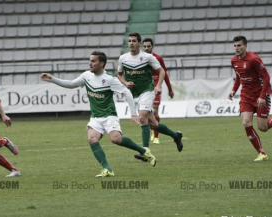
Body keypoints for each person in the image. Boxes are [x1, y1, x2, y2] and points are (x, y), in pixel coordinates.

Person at [40, 51, 157, 177]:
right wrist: (52, 79)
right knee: (92, 139)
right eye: (90, 60)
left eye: (93, 61)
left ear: (101, 63)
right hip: (95, 117)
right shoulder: (86, 76)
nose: (90, 63)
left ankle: (143, 151)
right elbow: (71, 84)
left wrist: (133, 114)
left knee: (116, 139)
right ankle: (107, 169)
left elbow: (127, 93)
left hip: (109, 116)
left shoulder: (110, 79)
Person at [117, 33, 183, 163]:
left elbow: (162, 71)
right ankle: (176, 136)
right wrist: (125, 83)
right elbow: (119, 74)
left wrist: (158, 86)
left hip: (147, 91)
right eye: (129, 41)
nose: (131, 43)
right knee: (153, 124)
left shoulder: (147, 57)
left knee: (142, 117)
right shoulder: (123, 58)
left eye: (134, 41)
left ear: (139, 43)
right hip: (134, 94)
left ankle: (145, 151)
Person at [228, 36, 272, 161]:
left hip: (260, 96)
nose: (237, 48)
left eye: (239, 45)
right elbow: (238, 77)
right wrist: (233, 90)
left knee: (262, 128)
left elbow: (266, 77)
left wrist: (263, 96)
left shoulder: (254, 59)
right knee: (246, 122)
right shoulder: (234, 61)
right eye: (235, 46)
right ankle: (262, 153)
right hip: (246, 96)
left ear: (245, 46)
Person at [142, 37, 174, 145]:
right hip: (145, 87)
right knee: (146, 113)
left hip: (156, 85)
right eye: (144, 46)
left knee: (155, 110)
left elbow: (164, 73)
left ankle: (156, 136)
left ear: (152, 47)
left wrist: (170, 89)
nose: (146, 48)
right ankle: (153, 128)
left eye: (148, 46)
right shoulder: (140, 59)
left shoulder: (158, 58)